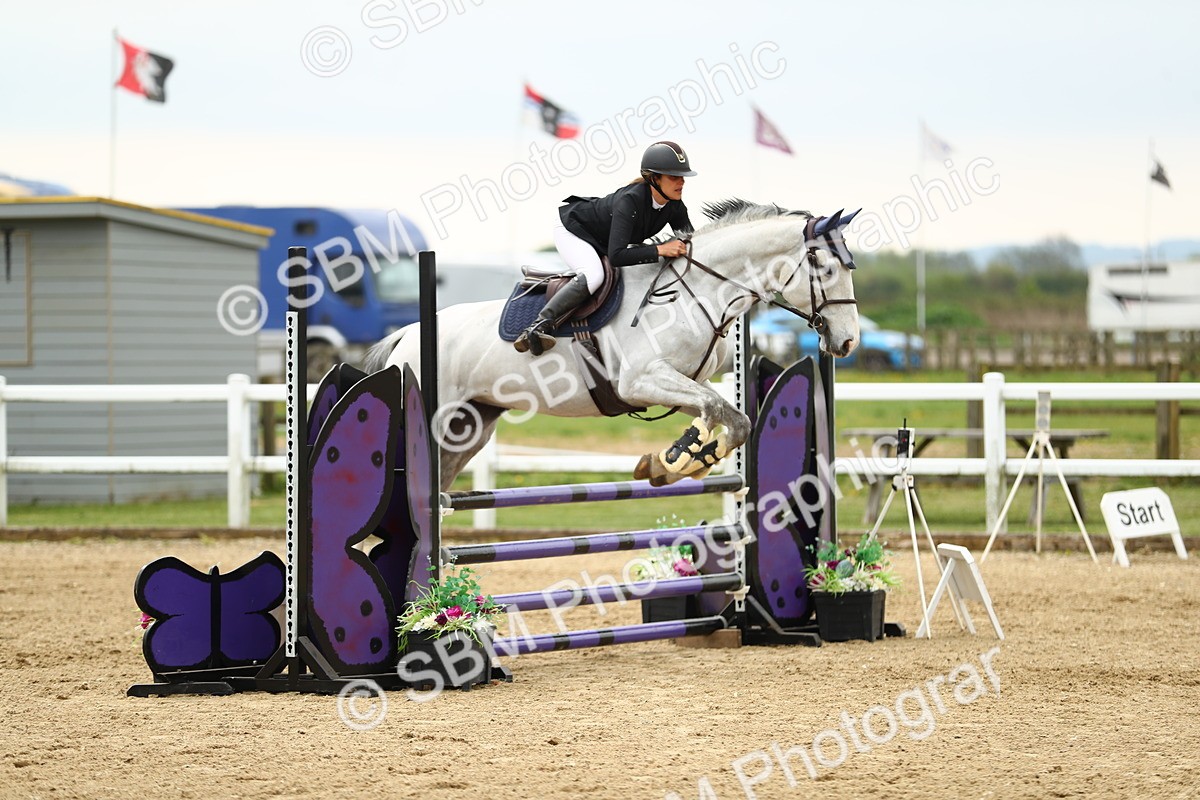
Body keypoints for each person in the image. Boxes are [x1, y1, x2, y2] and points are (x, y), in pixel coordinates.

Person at [514, 140, 698, 355]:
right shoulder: (630, 201)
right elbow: (617, 256)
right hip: (573, 229)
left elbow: (690, 243)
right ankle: (538, 326)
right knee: (594, 275)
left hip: (602, 238)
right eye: (674, 177)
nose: (681, 182)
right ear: (653, 178)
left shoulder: (675, 205)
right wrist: (660, 250)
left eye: (683, 176)